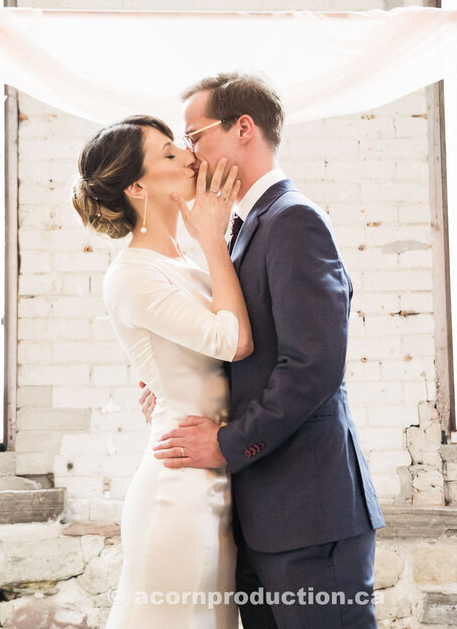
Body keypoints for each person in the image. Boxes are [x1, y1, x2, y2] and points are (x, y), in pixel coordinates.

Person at [147, 73, 385, 628]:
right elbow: (243, 352)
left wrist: (228, 444)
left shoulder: (294, 220)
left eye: (195, 136)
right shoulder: (246, 226)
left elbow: (312, 365)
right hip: (261, 517)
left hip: (310, 516)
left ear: (243, 129)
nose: (188, 153)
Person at [71, 114, 250, 628]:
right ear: (136, 186)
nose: (191, 157)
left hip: (214, 480)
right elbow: (233, 340)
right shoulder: (131, 274)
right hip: (178, 492)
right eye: (170, 154)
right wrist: (214, 238)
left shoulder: (185, 267)